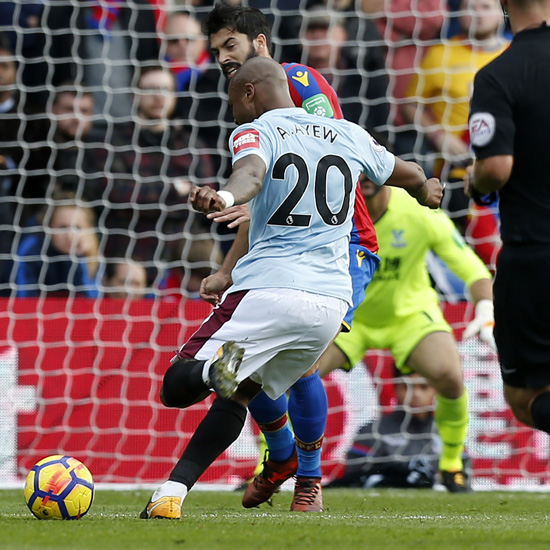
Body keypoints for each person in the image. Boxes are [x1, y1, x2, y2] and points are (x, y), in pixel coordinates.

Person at [139, 56, 442, 519]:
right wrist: (428, 191)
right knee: (241, 392)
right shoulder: (348, 132)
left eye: (232, 101)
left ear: (249, 93)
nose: (233, 112)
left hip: (269, 288)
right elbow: (409, 175)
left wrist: (221, 197)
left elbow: (251, 175)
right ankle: (171, 494)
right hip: (328, 303)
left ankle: (216, 375)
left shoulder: (257, 131)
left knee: (177, 384)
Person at [201, 2, 383, 511]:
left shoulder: (300, 80)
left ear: (260, 44)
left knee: (298, 363)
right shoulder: (248, 104)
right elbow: (268, 201)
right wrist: (228, 268)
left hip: (339, 245)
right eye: (216, 51)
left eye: (230, 46)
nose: (222, 59)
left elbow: (328, 161)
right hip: (283, 249)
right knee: (242, 358)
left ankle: (306, 476)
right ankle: (280, 455)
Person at [318, 175, 494, 492]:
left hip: (409, 316)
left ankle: (452, 465)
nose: (367, 179)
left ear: (387, 170)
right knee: (289, 376)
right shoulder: (328, 213)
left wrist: (485, 307)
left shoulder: (419, 213)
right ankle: (271, 464)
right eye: (359, 172)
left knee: (450, 376)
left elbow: (471, 267)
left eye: (373, 170)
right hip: (349, 317)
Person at [465, 0, 550, 435]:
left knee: (526, 397)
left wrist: (475, 185)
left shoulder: (498, 74)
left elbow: (496, 168)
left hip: (535, 255)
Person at [88, 65, 215, 286]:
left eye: (165, 89)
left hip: (181, 241)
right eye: (151, 89)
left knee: (210, 262)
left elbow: (207, 201)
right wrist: (173, 189)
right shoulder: (114, 142)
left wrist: (145, 192)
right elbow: (116, 195)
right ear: (135, 94)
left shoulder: (191, 145)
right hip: (128, 242)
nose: (158, 96)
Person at [402, 0, 508, 241]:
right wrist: (439, 136)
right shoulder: (440, 54)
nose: (478, 14)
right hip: (455, 171)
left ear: (502, 12)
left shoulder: (513, 53)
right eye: (471, 8)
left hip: (509, 168)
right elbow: (409, 104)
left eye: (485, 7)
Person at [325, 369, 441, 489]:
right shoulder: (371, 432)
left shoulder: (447, 432)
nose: (416, 394)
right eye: (407, 387)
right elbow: (351, 479)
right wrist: (395, 478)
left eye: (424, 387)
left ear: (435, 390)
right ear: (396, 389)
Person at [14, 191, 100, 298]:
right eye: (62, 227)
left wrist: (79, 259)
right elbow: (23, 298)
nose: (70, 236)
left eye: (77, 228)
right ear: (48, 227)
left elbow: (91, 302)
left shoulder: (91, 256)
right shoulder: (31, 250)